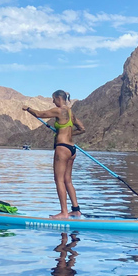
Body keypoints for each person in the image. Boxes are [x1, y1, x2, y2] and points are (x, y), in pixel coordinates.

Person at [23, 90, 85, 219]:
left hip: (62, 148)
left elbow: (40, 114)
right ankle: (76, 210)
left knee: (59, 180)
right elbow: (82, 129)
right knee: (68, 180)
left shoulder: (59, 110)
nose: (53, 101)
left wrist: (27, 109)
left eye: (53, 99)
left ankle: (64, 212)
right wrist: (67, 133)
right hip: (72, 149)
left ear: (58, 98)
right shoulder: (70, 113)